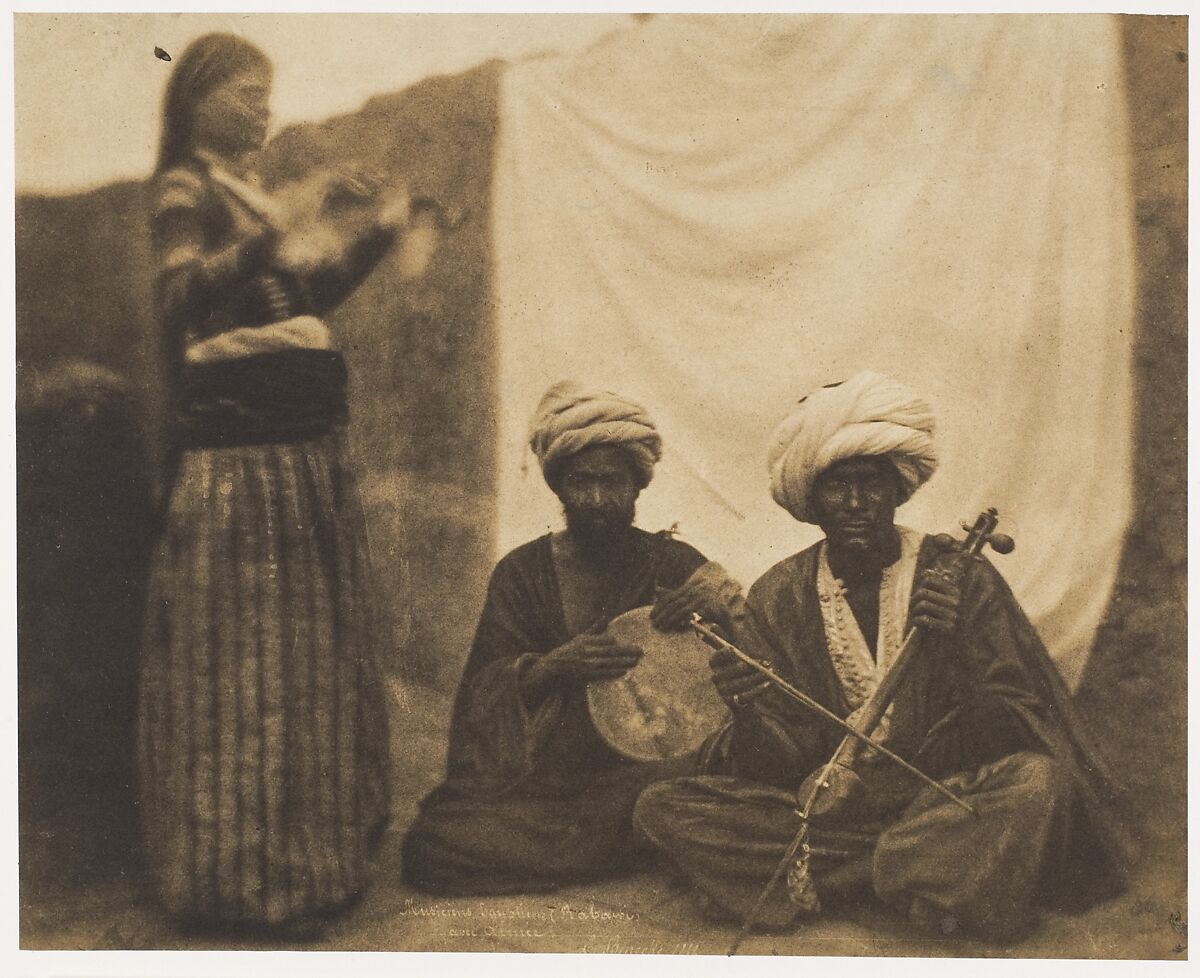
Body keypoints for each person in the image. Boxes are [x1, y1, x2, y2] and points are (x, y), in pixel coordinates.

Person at [634, 371, 1130, 942]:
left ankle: (839, 880)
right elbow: (784, 767)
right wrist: (748, 711)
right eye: (835, 488)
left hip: (936, 798)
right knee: (662, 806)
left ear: (898, 489)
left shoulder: (958, 574)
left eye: (871, 485)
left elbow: (1015, 727)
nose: (854, 504)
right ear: (810, 502)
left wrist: (958, 644)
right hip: (831, 812)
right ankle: (914, 874)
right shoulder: (779, 593)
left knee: (1034, 783)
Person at [138, 33, 408, 934]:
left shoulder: (245, 195)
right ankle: (243, 885)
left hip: (298, 453)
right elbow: (182, 299)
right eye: (247, 94)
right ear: (199, 97)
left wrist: (375, 233)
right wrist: (274, 229)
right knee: (249, 668)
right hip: (239, 465)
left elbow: (302, 299)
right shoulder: (185, 190)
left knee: (303, 666)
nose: (265, 110)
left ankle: (308, 863)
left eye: (269, 94)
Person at [402, 381, 742, 895]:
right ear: (559, 485)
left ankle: (601, 842)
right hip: (550, 775)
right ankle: (621, 846)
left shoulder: (672, 562)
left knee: (677, 792)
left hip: (646, 770)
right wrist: (553, 665)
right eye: (583, 482)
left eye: (614, 482)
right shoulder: (522, 572)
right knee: (433, 841)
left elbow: (753, 655)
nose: (599, 499)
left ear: (638, 486)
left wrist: (713, 605)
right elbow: (481, 698)